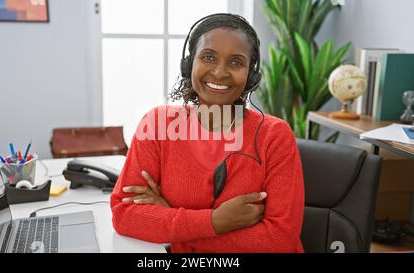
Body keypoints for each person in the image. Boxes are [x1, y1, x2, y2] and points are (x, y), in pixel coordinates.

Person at [110, 13, 305, 253]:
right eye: (208, 57)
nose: (220, 72)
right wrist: (215, 222)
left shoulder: (274, 136)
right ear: (189, 63)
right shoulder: (157, 125)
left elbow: (279, 239)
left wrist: (171, 222)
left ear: (251, 76)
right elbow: (125, 215)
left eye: (236, 62)